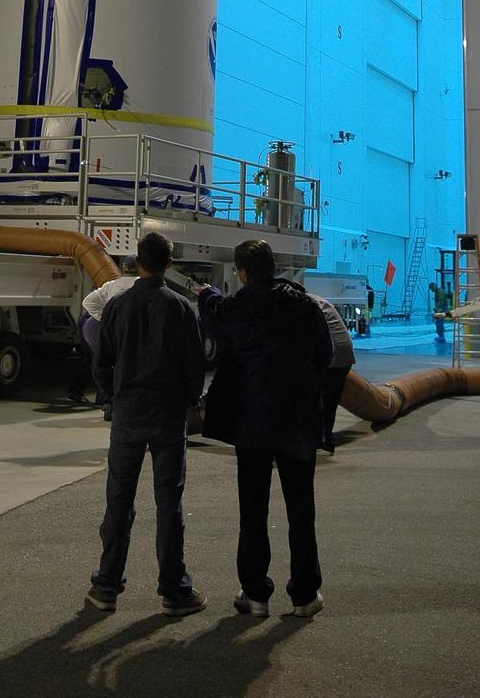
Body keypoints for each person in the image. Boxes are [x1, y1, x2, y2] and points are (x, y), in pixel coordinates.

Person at [198, 240, 332, 619]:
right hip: (297, 422)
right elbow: (324, 355)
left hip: (253, 423)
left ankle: (255, 593)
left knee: (253, 509)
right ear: (273, 267)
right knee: (301, 509)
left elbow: (214, 320)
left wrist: (206, 294)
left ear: (241, 273)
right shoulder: (304, 305)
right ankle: (305, 594)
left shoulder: (239, 307)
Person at [87, 231, 207, 617]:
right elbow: (194, 367)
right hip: (168, 417)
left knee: (119, 501)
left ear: (136, 263)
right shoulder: (182, 308)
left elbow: (101, 361)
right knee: (168, 502)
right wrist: (189, 401)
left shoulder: (118, 306)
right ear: (168, 264)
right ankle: (174, 590)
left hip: (128, 414)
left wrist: (112, 396)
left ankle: (106, 587)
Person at [80, 256, 139, 419]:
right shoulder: (142, 285)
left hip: (110, 337)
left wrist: (106, 319)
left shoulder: (112, 285)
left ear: (123, 268)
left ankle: (108, 405)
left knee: (104, 369)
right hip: (132, 339)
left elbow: (89, 301)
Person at [309, 295, 354, 454]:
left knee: (317, 399)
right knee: (330, 401)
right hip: (344, 355)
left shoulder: (304, 305)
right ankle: (326, 438)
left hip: (333, 355)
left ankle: (318, 439)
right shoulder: (318, 301)